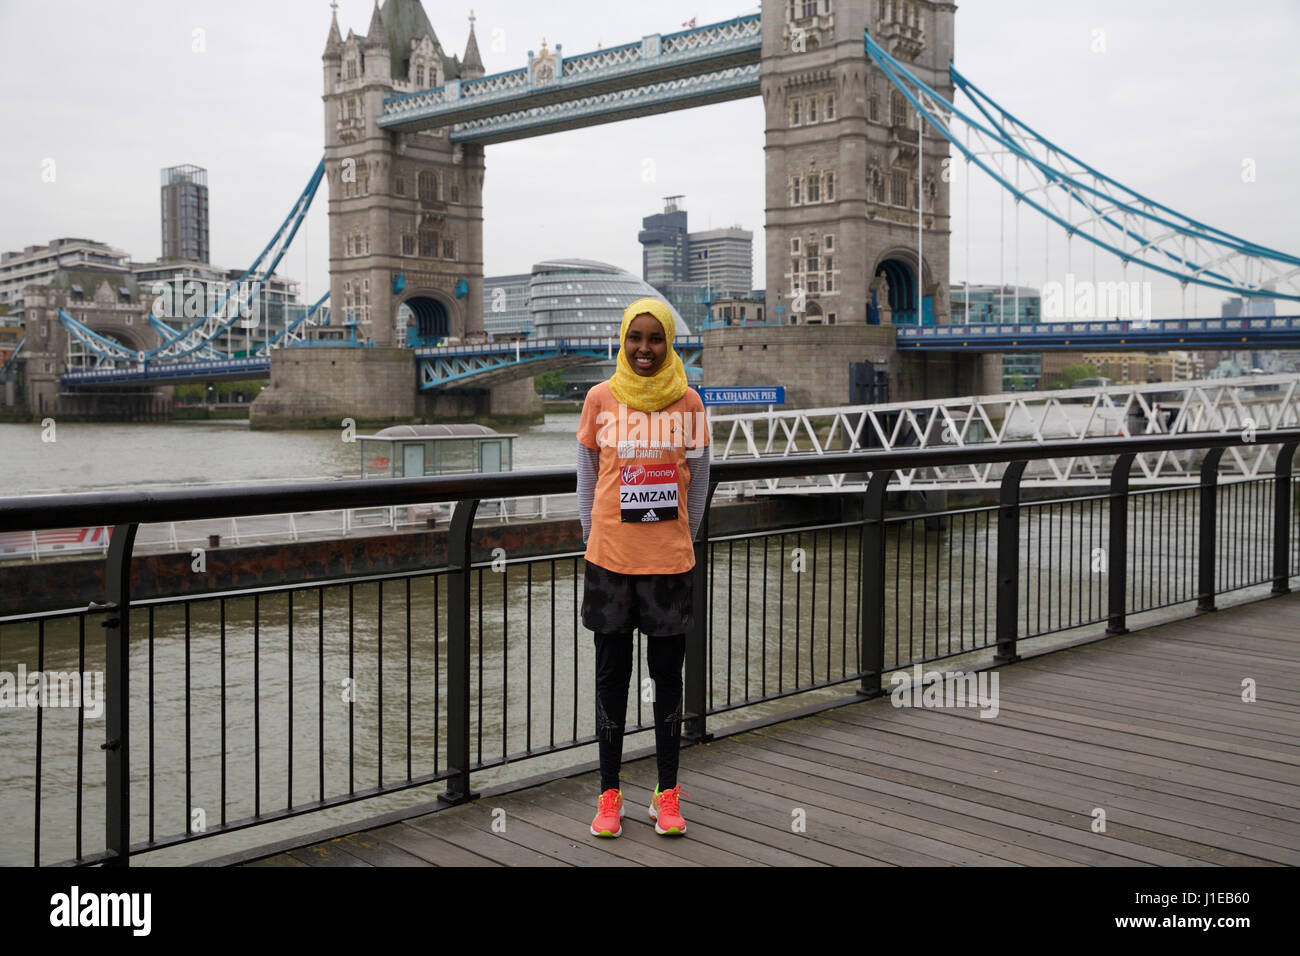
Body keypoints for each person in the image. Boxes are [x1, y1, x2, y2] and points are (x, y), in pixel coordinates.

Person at [576, 297, 710, 837]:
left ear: (669, 342)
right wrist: (594, 537)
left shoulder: (690, 404)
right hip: (609, 562)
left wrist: (682, 536)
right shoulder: (599, 399)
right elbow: (586, 476)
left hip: (668, 564)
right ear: (623, 340)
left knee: (668, 682)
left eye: (655, 339)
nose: (645, 349)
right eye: (636, 338)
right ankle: (610, 794)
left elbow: (699, 481)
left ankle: (666, 792)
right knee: (612, 680)